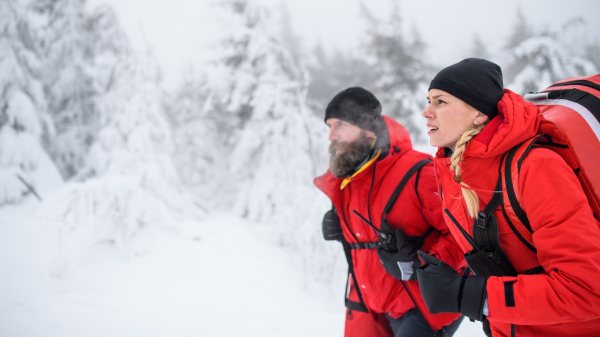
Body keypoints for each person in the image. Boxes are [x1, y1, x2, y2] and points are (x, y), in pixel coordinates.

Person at [411, 58, 600, 337]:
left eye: (441, 102)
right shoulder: (454, 176)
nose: (426, 112)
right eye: (428, 101)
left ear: (478, 113)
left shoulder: (535, 168)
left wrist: (471, 295)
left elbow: (586, 289)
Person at [314, 87, 465, 337]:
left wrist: (420, 264)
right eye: (329, 126)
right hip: (375, 307)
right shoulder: (348, 180)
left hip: (422, 307)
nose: (331, 135)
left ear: (368, 127)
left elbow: (463, 236)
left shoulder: (419, 172)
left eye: (340, 124)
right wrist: (344, 230)